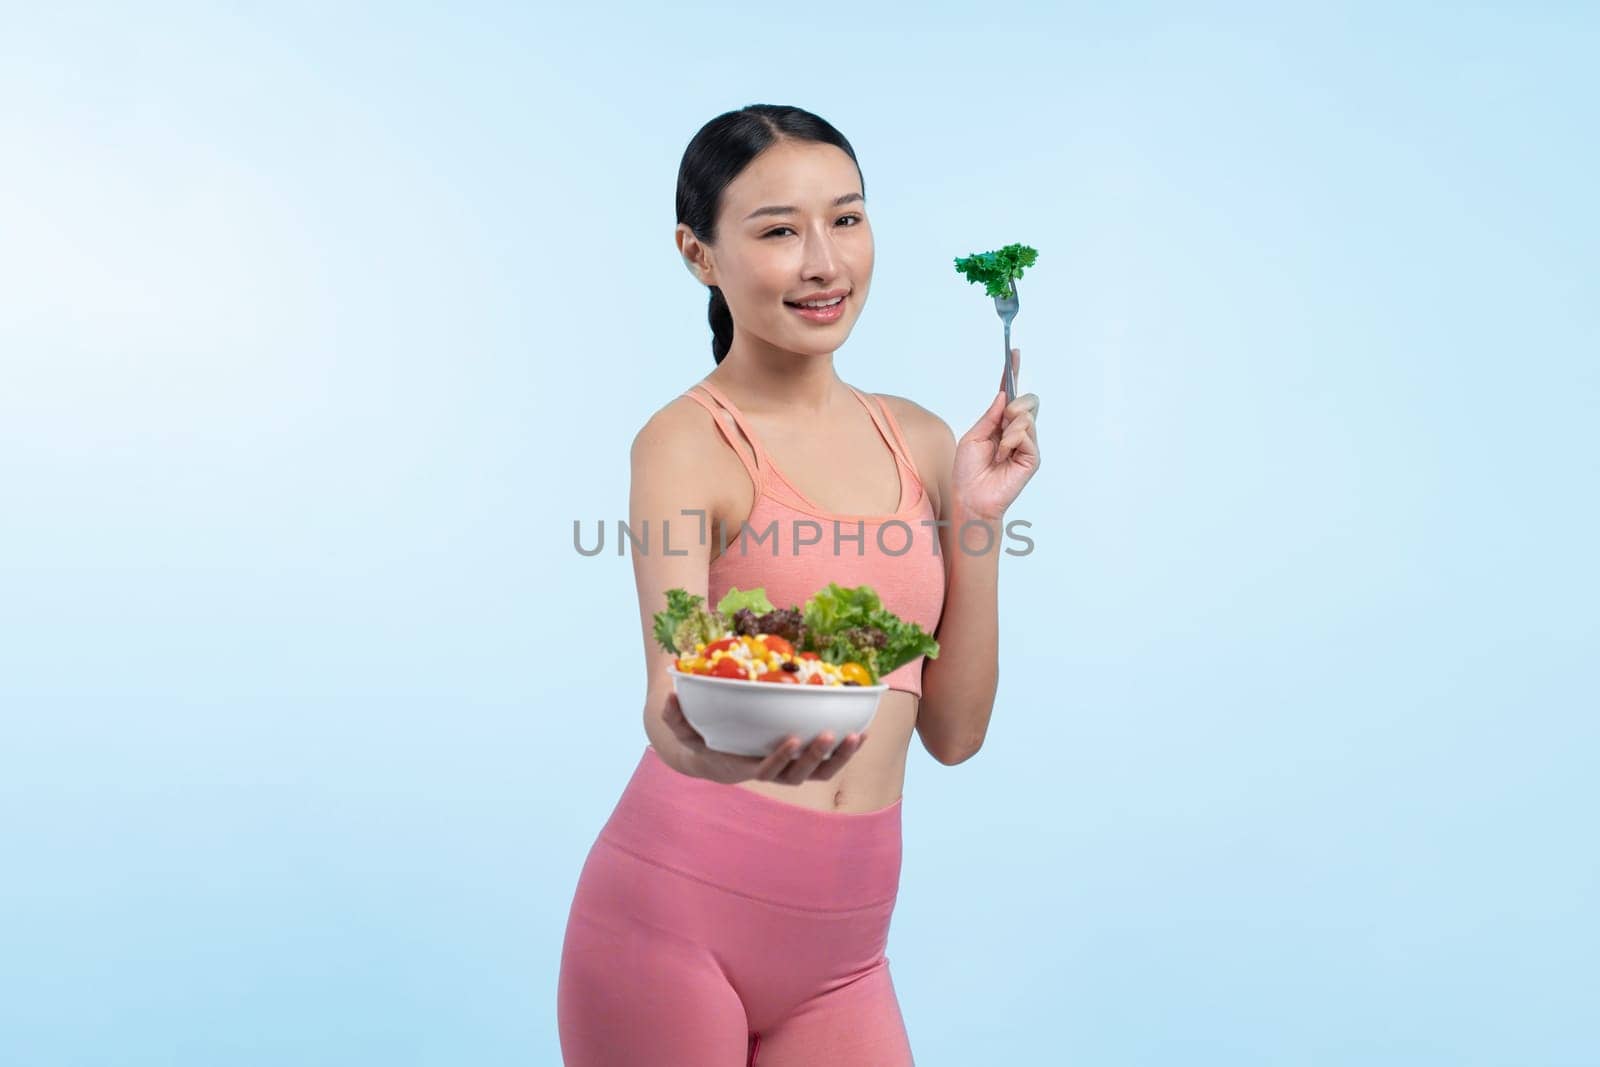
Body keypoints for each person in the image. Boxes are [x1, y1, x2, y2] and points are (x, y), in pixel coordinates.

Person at [556, 104, 1041, 1066]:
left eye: (847, 219)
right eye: (779, 230)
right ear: (699, 254)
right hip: (671, 926)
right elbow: (667, 704)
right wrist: (746, 748)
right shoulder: (687, 442)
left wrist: (977, 519)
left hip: (844, 960)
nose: (824, 262)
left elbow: (955, 734)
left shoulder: (925, 440)